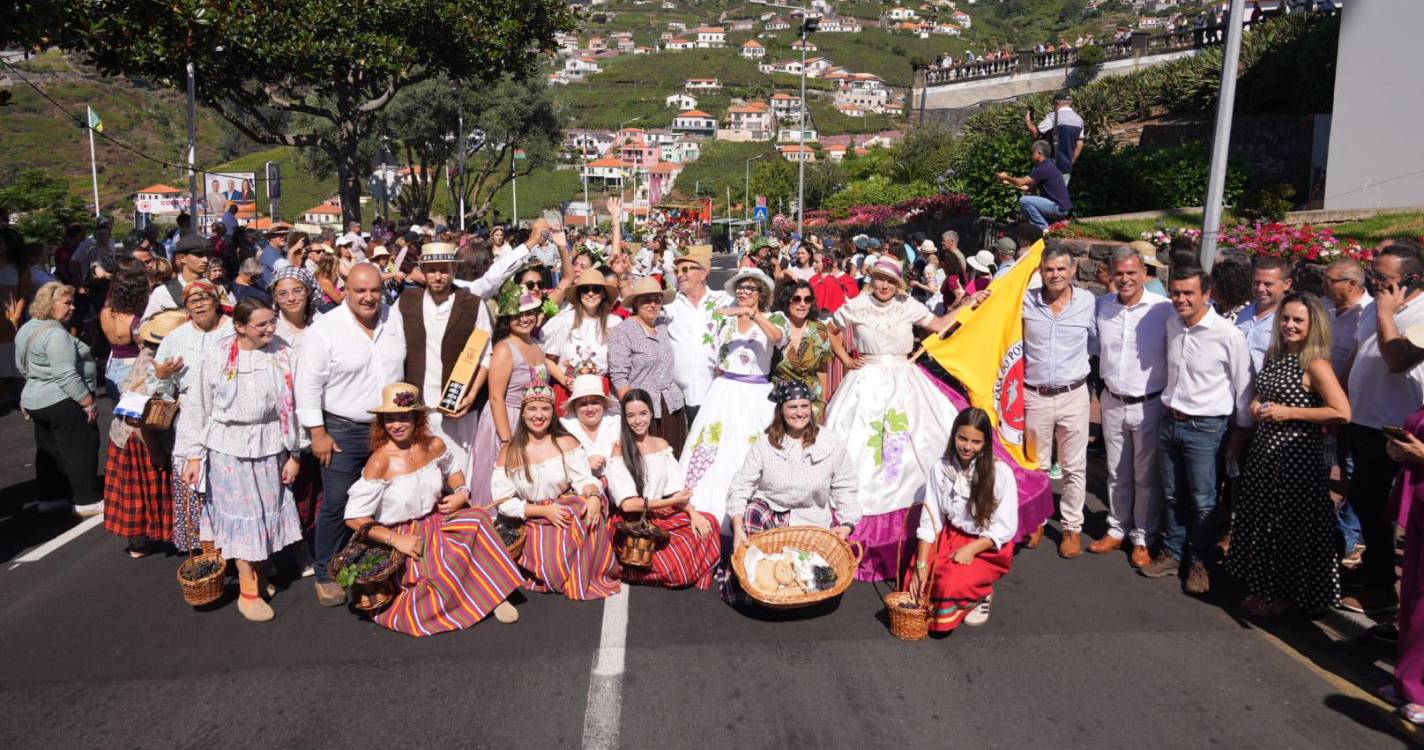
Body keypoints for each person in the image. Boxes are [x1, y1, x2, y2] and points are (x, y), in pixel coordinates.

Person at [823, 256, 976, 581]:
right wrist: (846, 358)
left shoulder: (908, 305)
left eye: (890, 281)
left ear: (899, 284)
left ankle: (925, 529)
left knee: (918, 445)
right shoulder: (857, 304)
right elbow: (829, 329)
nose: (884, 286)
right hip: (864, 382)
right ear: (872, 279)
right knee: (859, 448)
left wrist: (970, 303)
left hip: (905, 378)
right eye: (879, 279)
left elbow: (939, 325)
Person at [343, 382, 522, 634]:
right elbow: (354, 517)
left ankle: (493, 594)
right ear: (382, 423)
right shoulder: (379, 461)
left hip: (436, 519)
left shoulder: (433, 445)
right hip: (402, 534)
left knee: (479, 518)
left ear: (417, 418)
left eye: (404, 417)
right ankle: (479, 597)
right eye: (390, 419)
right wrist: (397, 540)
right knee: (434, 574)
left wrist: (461, 493)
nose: (397, 424)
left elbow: (454, 471)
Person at [180, 298, 303, 622]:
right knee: (243, 517)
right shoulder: (218, 356)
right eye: (261, 324)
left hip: (270, 444)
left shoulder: (282, 352)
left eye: (272, 322)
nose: (270, 329)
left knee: (264, 513)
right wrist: (193, 455)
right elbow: (198, 406)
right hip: (227, 448)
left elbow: (294, 405)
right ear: (240, 327)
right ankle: (248, 592)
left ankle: (259, 577)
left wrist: (295, 454)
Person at [1229, 292, 1350, 616]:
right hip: (1265, 455)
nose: (1290, 325)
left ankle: (1282, 595)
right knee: (1263, 524)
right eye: (1286, 318)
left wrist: (1289, 413)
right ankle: (1262, 588)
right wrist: (1256, 402)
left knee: (1287, 530)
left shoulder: (1316, 363)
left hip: (1297, 459)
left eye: (1298, 320)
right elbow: (1263, 391)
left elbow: (1341, 412)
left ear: (1313, 325)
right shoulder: (1277, 355)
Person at [295, 264, 406, 607]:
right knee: (338, 502)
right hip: (342, 429)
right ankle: (327, 571)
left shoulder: (394, 319)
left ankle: (373, 563)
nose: (369, 297)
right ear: (345, 290)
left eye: (375, 290)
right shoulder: (325, 329)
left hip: (388, 427)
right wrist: (318, 433)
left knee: (384, 497)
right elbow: (308, 384)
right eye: (360, 291)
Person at [1141, 268, 1253, 595]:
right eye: (1176, 293)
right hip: (1169, 420)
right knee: (1173, 494)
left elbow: (1242, 385)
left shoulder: (1227, 334)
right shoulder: (1172, 324)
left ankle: (1200, 562)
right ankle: (1173, 553)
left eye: (1189, 293)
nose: (1181, 299)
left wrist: (1241, 432)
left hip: (1207, 428)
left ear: (1207, 294)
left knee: (1204, 501)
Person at [721, 381, 861, 603]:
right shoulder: (765, 445)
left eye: (804, 406)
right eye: (792, 407)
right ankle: (753, 591)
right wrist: (737, 528)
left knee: (814, 581)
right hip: (772, 515)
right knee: (753, 511)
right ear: (781, 410)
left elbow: (845, 486)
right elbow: (741, 485)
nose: (800, 413)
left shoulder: (831, 443)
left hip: (811, 521)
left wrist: (846, 524)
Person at [1341, 245, 1424, 615]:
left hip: (1396, 430)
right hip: (1362, 420)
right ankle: (1375, 569)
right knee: (1364, 501)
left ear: (1412, 280)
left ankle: (1382, 590)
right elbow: (1359, 355)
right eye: (1372, 275)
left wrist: (1389, 313)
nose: (1374, 283)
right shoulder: (1375, 305)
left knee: (1385, 511)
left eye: (1384, 278)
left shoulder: (1420, 313)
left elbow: (1396, 360)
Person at [682, 268, 789, 531]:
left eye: (750, 288)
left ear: (760, 293)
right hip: (725, 390)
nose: (743, 292)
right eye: (740, 287)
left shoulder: (774, 317)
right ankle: (709, 517)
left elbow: (777, 338)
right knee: (714, 449)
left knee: (751, 451)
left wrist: (754, 315)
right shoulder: (724, 319)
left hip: (755, 393)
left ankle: (753, 519)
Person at [491, 383, 622, 600]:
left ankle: (589, 566)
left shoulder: (566, 441)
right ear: (523, 414)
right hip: (531, 516)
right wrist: (543, 511)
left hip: (563, 508)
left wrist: (593, 496)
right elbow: (503, 501)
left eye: (545, 409)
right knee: (553, 572)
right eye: (532, 409)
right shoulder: (510, 451)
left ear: (553, 413)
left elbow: (583, 479)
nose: (539, 415)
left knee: (585, 510)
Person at [1090, 247, 1173, 567]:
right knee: (1116, 472)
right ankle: (1116, 529)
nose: (1125, 279)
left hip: (1148, 403)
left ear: (1144, 274)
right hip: (1111, 400)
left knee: (1144, 476)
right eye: (1119, 273)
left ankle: (1142, 537)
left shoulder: (1163, 310)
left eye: (1131, 273)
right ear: (1112, 274)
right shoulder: (1102, 307)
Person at [908, 407, 1019, 632]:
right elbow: (931, 518)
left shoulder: (1001, 473)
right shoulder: (940, 468)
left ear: (986, 443)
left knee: (948, 582)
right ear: (954, 436)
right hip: (950, 536)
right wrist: (921, 564)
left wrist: (972, 549)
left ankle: (981, 593)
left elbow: (1005, 526)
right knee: (916, 578)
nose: (968, 446)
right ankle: (962, 591)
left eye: (976, 442)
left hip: (986, 545)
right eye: (962, 438)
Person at [1020, 247, 1097, 556]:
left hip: (1073, 395)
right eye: (1049, 269)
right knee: (1035, 465)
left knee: (1073, 467)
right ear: (1041, 271)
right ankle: (1036, 521)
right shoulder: (1025, 301)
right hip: (1035, 395)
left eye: (1061, 269)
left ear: (1072, 270)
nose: (1055, 275)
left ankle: (1071, 529)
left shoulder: (1089, 302)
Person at [606, 388, 721, 590]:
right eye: (631, 416)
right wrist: (671, 502)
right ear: (624, 419)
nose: (638, 421)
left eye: (642, 413)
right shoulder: (620, 449)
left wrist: (693, 513)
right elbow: (629, 505)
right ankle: (668, 567)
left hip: (661, 513)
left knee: (709, 521)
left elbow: (676, 490)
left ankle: (681, 562)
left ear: (651, 413)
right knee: (674, 569)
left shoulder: (661, 444)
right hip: (634, 521)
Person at [150, 280, 234, 550]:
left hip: (230, 418)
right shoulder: (176, 338)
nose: (198, 304)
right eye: (191, 300)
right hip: (191, 421)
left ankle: (240, 549)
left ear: (216, 300)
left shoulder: (235, 331)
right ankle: (209, 553)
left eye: (203, 298)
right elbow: (160, 389)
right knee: (197, 489)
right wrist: (161, 376)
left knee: (231, 489)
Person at [397, 242, 487, 482]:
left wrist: (470, 396)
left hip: (458, 406)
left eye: (444, 270)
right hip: (420, 406)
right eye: (432, 270)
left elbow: (485, 356)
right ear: (423, 271)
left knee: (460, 474)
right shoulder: (406, 302)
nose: (438, 276)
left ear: (454, 271)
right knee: (424, 475)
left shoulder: (473, 304)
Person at [15, 282, 102, 516]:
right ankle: (86, 500)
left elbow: (20, 365)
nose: (72, 307)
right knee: (79, 448)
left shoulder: (27, 328)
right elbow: (66, 374)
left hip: (35, 400)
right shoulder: (56, 335)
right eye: (67, 303)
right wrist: (87, 402)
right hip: (61, 401)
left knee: (49, 451)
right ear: (50, 305)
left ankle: (51, 498)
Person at [103, 311, 186, 557]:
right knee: (144, 487)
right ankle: (148, 537)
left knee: (137, 490)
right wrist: (155, 450)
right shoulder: (155, 362)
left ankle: (141, 541)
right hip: (139, 434)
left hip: (133, 432)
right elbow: (137, 415)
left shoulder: (147, 353)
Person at [469, 277, 550, 508]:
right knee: (500, 483)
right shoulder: (504, 348)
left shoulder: (535, 343)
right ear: (507, 318)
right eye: (517, 314)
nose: (525, 318)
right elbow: (496, 397)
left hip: (530, 420)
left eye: (529, 313)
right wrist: (506, 440)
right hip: (507, 419)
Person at [1323, 258, 1371, 563]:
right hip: (1328, 407)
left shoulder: (1368, 314)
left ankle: (1351, 539)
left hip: (1358, 409)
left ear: (1351, 285)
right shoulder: (1327, 310)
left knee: (1354, 473)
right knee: (1337, 471)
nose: (1324, 285)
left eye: (1330, 280)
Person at [609, 277, 688, 455]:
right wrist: (634, 411)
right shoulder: (623, 331)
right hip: (642, 408)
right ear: (636, 303)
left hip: (670, 405)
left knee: (672, 456)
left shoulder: (662, 326)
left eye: (657, 300)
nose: (652, 305)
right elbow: (618, 376)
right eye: (646, 300)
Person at [1383, 401, 1424, 723]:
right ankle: (1406, 680)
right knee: (1410, 597)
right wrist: (1397, 449)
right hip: (1418, 502)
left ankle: (1418, 691)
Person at [663, 245, 727, 426]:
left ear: (704, 273)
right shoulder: (669, 304)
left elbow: (755, 299)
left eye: (685, 269)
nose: (679, 274)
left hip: (715, 392)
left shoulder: (723, 300)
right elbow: (634, 306)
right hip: (678, 398)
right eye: (676, 270)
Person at [542, 268, 622, 411]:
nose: (590, 293)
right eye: (585, 289)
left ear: (603, 294)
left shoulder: (614, 323)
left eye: (596, 289)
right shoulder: (562, 321)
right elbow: (548, 359)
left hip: (601, 391)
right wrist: (565, 380)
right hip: (568, 391)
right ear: (579, 293)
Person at [771, 278, 837, 417]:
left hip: (811, 399)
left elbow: (822, 370)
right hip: (777, 398)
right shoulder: (776, 326)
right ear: (787, 300)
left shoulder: (819, 330)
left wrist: (822, 403)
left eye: (807, 299)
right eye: (796, 299)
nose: (802, 304)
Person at [1236, 256, 1293, 375]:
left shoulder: (1289, 320)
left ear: (1286, 284)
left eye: (1268, 284)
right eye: (1256, 283)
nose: (1260, 289)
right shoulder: (1244, 313)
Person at [100, 259, 150, 398]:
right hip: (132, 368)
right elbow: (145, 354)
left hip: (112, 368)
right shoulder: (135, 321)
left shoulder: (106, 311)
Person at [997, 141, 1071, 230]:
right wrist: (1009, 182)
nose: (1031, 154)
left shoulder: (1044, 168)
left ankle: (1043, 229)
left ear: (1039, 153)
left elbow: (1021, 182)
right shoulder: (1046, 165)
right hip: (1058, 207)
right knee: (1024, 208)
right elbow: (1030, 189)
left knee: (1024, 201)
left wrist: (1006, 177)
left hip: (1058, 208)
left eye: (1033, 152)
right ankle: (1046, 225)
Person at [560, 374, 621, 479]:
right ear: (575, 406)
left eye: (595, 403)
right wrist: (585, 464)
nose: (590, 409)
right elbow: (557, 467)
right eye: (583, 404)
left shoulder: (617, 421)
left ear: (603, 404)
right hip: (580, 488)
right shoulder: (564, 426)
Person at [1025, 92, 1086, 185]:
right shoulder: (1079, 120)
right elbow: (1080, 145)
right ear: (1070, 103)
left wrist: (1028, 122)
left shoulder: (1053, 117)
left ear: (1057, 103)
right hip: (1066, 168)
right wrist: (1070, 162)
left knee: (1043, 194)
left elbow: (1036, 133)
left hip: (1049, 165)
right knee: (1060, 195)